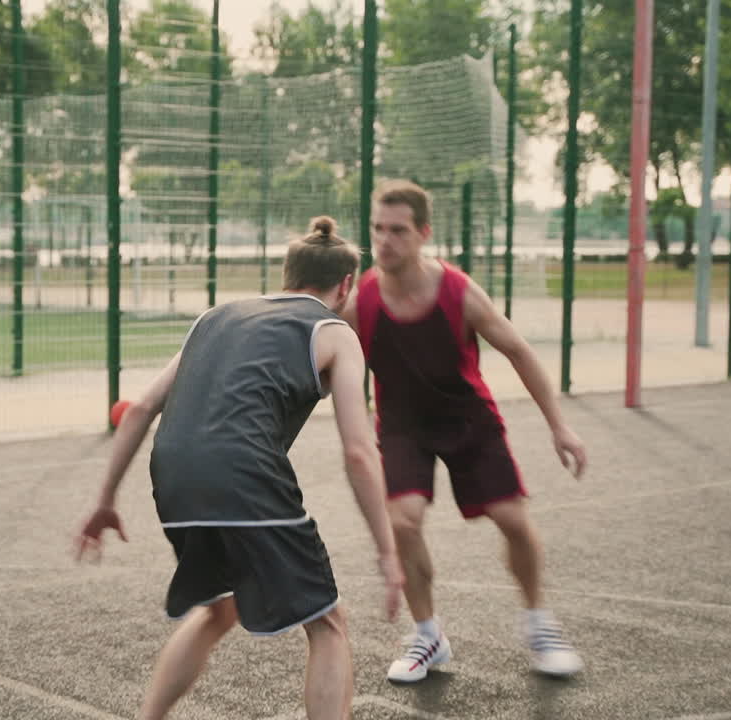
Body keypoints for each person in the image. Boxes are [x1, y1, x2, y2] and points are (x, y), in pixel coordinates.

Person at [75, 217, 406, 720]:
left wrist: (105, 501)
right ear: (345, 286)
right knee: (328, 623)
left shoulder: (214, 317)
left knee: (218, 608)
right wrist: (387, 551)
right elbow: (359, 451)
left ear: (286, 274)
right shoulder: (335, 333)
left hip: (173, 475)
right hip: (244, 472)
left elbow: (140, 409)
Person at [343, 180, 588, 682]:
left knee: (512, 519)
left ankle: (539, 623)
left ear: (423, 234)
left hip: (468, 418)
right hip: (404, 426)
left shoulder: (458, 292)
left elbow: (518, 350)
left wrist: (559, 426)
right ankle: (428, 636)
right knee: (404, 521)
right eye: (377, 229)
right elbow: (322, 357)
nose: (384, 240)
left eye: (398, 230)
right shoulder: (360, 300)